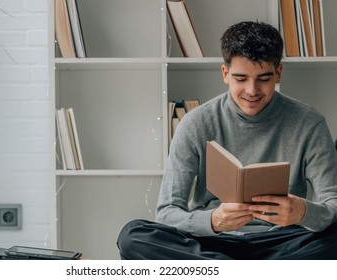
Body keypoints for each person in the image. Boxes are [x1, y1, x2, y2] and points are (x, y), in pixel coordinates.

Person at [117, 21, 337, 260]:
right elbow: (167, 212)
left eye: (263, 78)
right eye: (240, 78)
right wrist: (213, 220)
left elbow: (332, 205)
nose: (252, 90)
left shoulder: (309, 123)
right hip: (214, 242)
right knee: (133, 234)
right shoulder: (195, 123)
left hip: (283, 242)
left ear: (278, 73)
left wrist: (303, 212)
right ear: (225, 74)